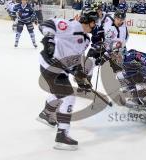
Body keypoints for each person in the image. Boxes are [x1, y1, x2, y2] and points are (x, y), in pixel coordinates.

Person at [37, 9, 98, 150]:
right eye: (95, 23)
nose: (96, 26)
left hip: (60, 70)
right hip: (50, 66)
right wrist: (49, 40)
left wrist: (79, 75)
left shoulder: (86, 39)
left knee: (57, 92)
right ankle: (62, 135)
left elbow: (74, 59)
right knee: (68, 97)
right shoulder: (71, 26)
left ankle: (46, 114)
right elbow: (46, 24)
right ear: (91, 22)